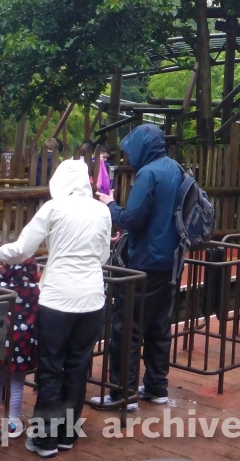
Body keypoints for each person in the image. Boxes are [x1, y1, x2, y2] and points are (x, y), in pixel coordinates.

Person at [0, 159, 111, 457]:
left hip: (57, 299)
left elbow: (23, 249)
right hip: (92, 298)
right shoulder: (102, 210)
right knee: (77, 366)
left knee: (51, 366)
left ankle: (45, 439)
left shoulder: (53, 208)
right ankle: (67, 435)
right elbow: (103, 256)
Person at [90, 124, 181, 410]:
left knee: (127, 327)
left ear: (143, 147)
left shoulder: (148, 174)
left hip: (143, 263)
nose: (129, 157)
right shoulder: (176, 169)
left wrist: (111, 204)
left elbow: (134, 219)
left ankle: (123, 393)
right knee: (158, 327)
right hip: (170, 262)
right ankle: (156, 386)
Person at [0, 256, 41, 436]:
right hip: (24, 343)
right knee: (17, 382)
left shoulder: (0, 289)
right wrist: (36, 275)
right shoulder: (35, 289)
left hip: (2, 342)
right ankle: (13, 422)